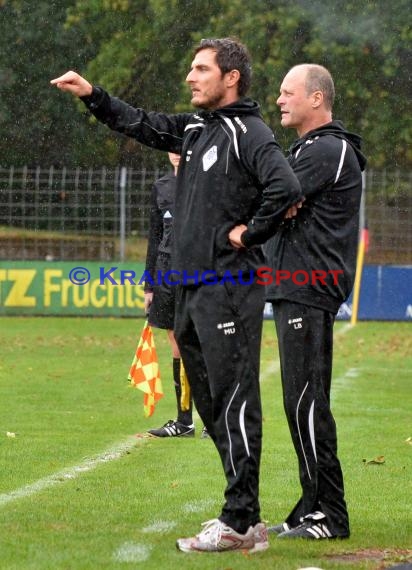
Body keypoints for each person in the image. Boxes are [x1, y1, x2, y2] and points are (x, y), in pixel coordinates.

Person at [51, 37, 302, 553]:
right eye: (191, 68)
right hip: (188, 290)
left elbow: (285, 188)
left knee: (234, 400)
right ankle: (246, 517)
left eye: (201, 69)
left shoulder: (248, 133)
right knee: (210, 404)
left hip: (227, 289)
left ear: (231, 77)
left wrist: (247, 234)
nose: (190, 77)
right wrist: (92, 94)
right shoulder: (195, 129)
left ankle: (237, 520)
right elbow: (138, 121)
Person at [264, 64, 367, 539]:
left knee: (306, 402)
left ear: (317, 99)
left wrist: (275, 201)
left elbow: (270, 197)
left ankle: (331, 513)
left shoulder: (327, 148)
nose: (280, 100)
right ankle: (311, 504)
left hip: (308, 286)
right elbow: (277, 199)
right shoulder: (307, 150)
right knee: (299, 401)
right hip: (294, 286)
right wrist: (278, 200)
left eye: (288, 93)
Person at [144, 151, 207, 439]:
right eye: (172, 147)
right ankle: (184, 421)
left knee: (205, 340)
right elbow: (154, 237)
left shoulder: (205, 183)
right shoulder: (161, 187)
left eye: (182, 147)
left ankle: (213, 417)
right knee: (175, 339)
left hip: (198, 270)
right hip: (166, 272)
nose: (177, 154)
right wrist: (149, 285)